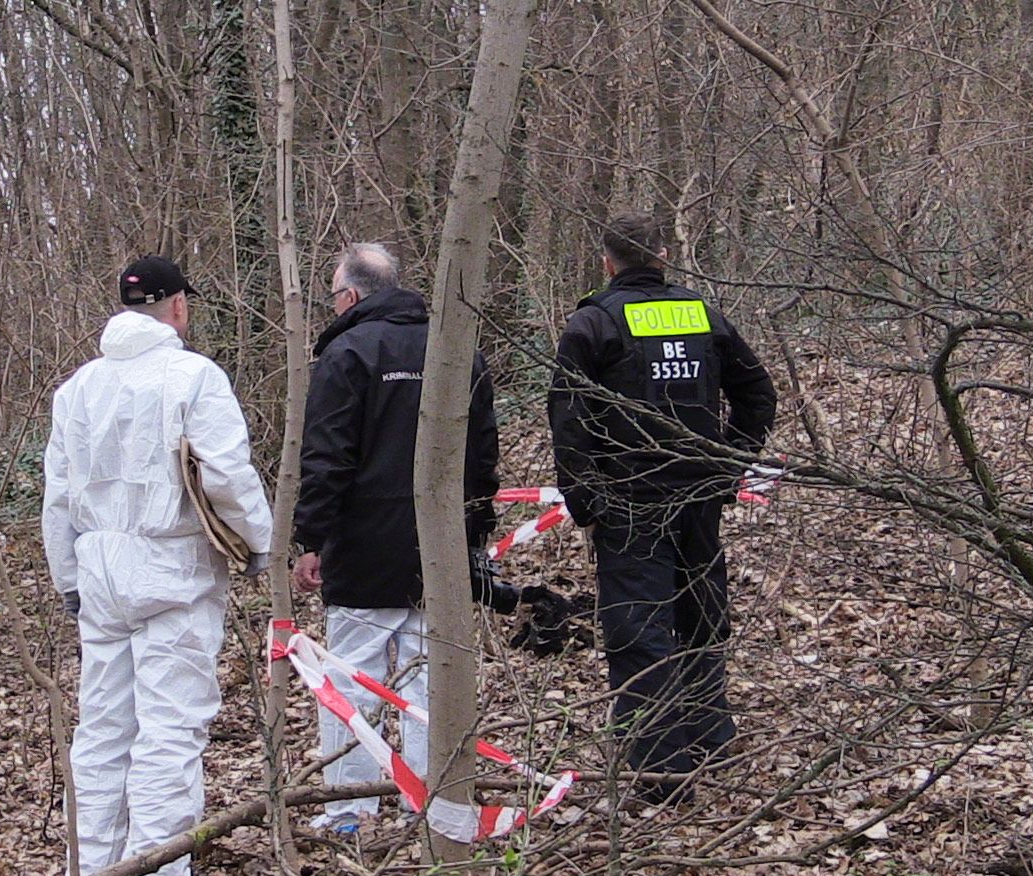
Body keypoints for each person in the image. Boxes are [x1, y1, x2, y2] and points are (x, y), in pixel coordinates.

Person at [41, 255, 273, 876]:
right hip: (172, 564)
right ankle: (158, 871)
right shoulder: (192, 376)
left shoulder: (77, 388)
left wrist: (67, 575)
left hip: (98, 566)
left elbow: (57, 494)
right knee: (171, 720)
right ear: (176, 306)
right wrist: (260, 541)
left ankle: (91, 868)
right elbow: (225, 471)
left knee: (105, 722)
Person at [547, 212, 777, 802]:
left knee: (639, 630)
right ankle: (707, 738)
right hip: (698, 495)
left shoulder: (592, 323)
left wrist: (587, 502)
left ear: (607, 261)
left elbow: (568, 422)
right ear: (662, 255)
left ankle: (662, 773)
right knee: (701, 614)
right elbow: (758, 393)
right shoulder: (702, 315)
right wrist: (730, 462)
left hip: (631, 503)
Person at [293, 242, 500, 833]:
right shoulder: (455, 349)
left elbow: (327, 455)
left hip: (362, 542)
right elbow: (483, 453)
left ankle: (349, 810)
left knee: (349, 676)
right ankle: (427, 806)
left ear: (351, 296)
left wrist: (312, 538)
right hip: (441, 543)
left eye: (334, 297)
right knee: (427, 677)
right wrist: (474, 532)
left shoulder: (347, 352)